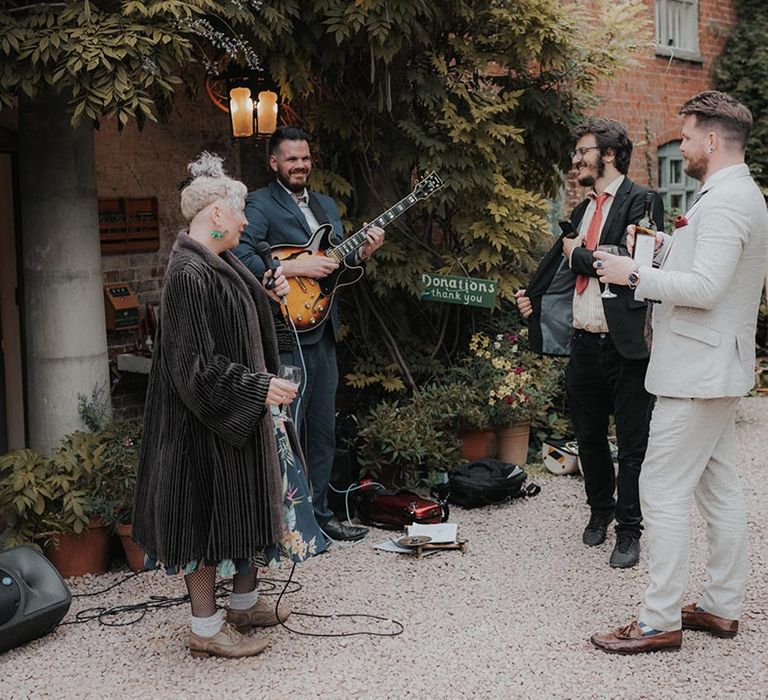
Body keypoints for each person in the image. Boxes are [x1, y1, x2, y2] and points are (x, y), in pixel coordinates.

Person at [590, 91, 768, 653]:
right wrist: (666, 245)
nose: (683, 145)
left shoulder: (725, 202)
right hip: (715, 366)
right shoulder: (733, 194)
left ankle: (658, 619)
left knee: (660, 488)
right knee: (718, 487)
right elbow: (708, 266)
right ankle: (719, 606)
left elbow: (708, 288)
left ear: (712, 140)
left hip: (696, 370)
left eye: (687, 136)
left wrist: (632, 274)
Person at [132, 152, 327, 660]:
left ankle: (243, 603)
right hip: (197, 430)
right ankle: (204, 628)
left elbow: (248, 332)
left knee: (241, 513)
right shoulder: (188, 274)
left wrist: (270, 293)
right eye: (239, 212)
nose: (246, 220)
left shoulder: (225, 264)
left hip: (229, 424)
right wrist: (257, 389)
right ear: (216, 214)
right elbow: (193, 366)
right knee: (202, 524)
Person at [515, 118, 664, 568]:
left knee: (633, 443)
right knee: (589, 437)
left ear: (610, 155)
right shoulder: (581, 210)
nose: (576, 159)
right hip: (584, 343)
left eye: (583, 151)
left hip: (627, 345)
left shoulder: (643, 200)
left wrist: (575, 253)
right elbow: (557, 271)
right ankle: (599, 513)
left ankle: (629, 529)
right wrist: (534, 302)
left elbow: (628, 260)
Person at [234, 126, 385, 542]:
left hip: (323, 328)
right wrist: (295, 268)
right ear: (274, 163)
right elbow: (242, 255)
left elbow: (339, 267)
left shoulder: (325, 206)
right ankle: (285, 522)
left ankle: (319, 517)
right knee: (288, 426)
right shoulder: (259, 204)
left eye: (305, 158)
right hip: (287, 331)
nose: (300, 165)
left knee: (322, 428)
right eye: (291, 159)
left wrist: (365, 251)